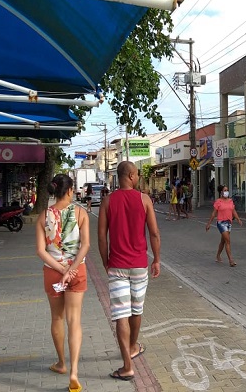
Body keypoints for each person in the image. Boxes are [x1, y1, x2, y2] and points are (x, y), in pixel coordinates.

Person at [98, 161, 161, 382]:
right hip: (139, 265)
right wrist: (157, 260)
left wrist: (106, 261)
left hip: (117, 266)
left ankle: (127, 365)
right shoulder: (144, 200)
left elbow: (101, 236)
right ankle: (133, 346)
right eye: (137, 175)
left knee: (120, 315)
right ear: (132, 175)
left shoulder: (107, 201)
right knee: (136, 310)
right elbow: (154, 233)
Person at [35, 174, 90, 392]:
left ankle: (61, 363)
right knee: (74, 320)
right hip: (77, 272)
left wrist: (60, 270)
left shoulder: (43, 216)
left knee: (57, 317)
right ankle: (75, 372)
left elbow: (40, 250)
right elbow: (85, 245)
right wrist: (72, 269)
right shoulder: (80, 213)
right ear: (70, 191)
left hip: (53, 272)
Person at [206, 185, 242, 267]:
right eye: (225, 190)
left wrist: (238, 219)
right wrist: (209, 223)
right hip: (221, 223)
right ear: (221, 192)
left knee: (223, 241)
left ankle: (218, 255)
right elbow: (214, 213)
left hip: (229, 222)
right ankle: (231, 260)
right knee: (228, 241)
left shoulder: (230, 201)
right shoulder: (218, 201)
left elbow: (233, 211)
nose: (226, 192)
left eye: (227, 190)